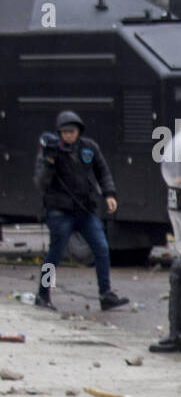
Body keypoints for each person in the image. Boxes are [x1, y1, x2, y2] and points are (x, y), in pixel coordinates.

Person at [32, 111, 129, 311]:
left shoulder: (89, 148)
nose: (68, 135)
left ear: (78, 131)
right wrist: (50, 163)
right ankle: (43, 294)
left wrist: (109, 194)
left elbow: (102, 171)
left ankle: (106, 294)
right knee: (55, 254)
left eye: (72, 131)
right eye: (65, 132)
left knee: (101, 249)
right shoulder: (51, 150)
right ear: (59, 133)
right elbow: (40, 183)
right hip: (59, 211)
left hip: (85, 210)